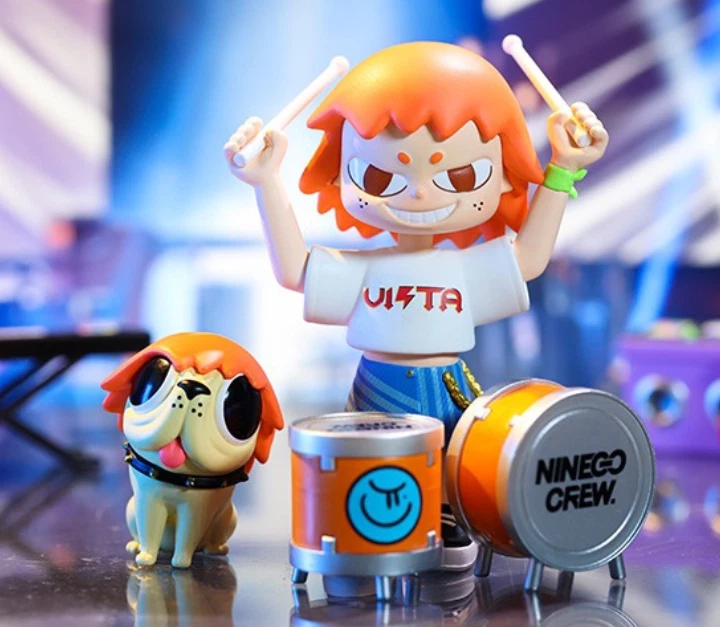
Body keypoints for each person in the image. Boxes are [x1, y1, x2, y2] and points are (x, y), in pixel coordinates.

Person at [224, 41, 608, 570]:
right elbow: (296, 271)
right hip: (376, 391)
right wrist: (265, 183)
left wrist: (563, 169)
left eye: (459, 177)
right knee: (371, 477)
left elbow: (529, 258)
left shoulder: (464, 268)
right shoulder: (364, 268)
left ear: (501, 173)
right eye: (380, 177)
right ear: (341, 173)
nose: (421, 195)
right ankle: (377, 536)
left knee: (452, 472)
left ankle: (445, 523)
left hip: (449, 390)